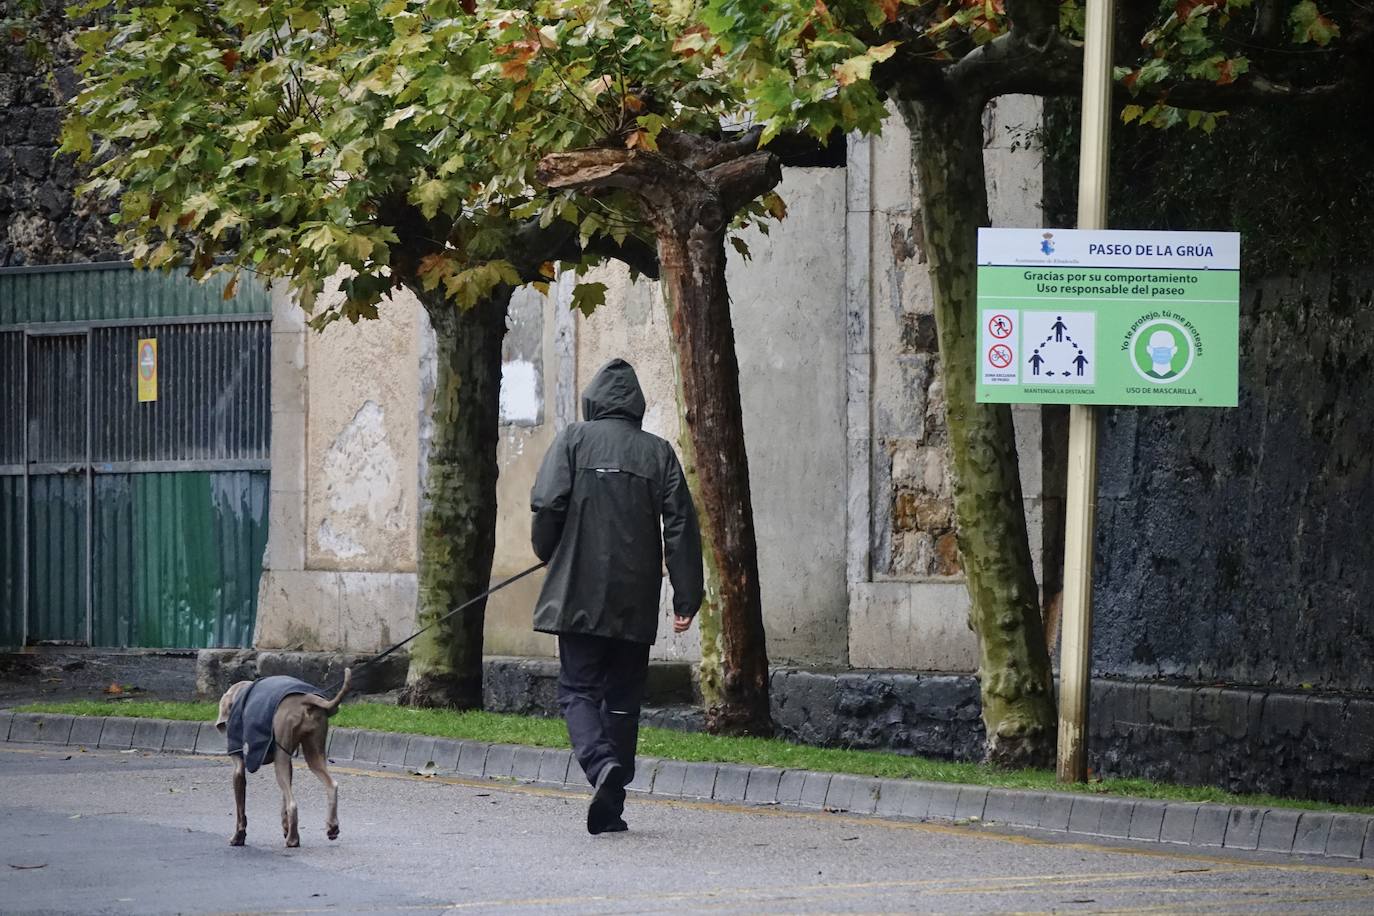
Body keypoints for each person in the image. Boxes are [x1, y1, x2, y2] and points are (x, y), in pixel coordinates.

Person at [529, 358, 704, 834]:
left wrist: (549, 551)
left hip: (577, 590)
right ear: (635, 407)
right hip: (635, 594)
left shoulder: (572, 440)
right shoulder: (659, 453)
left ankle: (599, 765)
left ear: (594, 401)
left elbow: (547, 504)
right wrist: (687, 597)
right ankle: (614, 800)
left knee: (578, 690)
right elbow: (681, 525)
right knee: (624, 699)